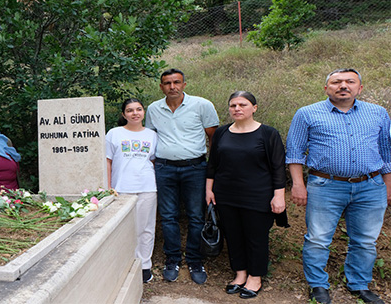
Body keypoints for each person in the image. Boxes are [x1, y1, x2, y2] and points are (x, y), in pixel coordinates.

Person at [286, 68, 391, 304]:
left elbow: (386, 153)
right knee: (318, 238)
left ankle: (359, 284)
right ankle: (318, 286)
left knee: (365, 240)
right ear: (326, 88)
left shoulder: (378, 113)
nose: (343, 85)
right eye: (336, 82)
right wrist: (298, 184)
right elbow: (294, 153)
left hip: (371, 185)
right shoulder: (307, 113)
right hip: (325, 185)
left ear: (360, 88)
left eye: (350, 82)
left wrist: (388, 186)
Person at [205, 91, 287, 299]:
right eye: (233, 105)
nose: (237, 109)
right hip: (226, 194)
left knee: (256, 237)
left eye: (242, 104)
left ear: (254, 108)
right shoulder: (222, 133)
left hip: (257, 195)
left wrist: (279, 196)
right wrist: (209, 189)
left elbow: (278, 168)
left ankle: (255, 277)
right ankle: (240, 273)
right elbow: (213, 164)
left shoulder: (268, 134)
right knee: (233, 235)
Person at [145, 68, 219, 284]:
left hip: (195, 168)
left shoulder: (202, 105)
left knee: (196, 216)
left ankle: (195, 260)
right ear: (161, 87)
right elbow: (151, 137)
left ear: (184, 84)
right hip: (164, 168)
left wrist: (212, 169)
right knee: (168, 216)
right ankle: (172, 259)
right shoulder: (153, 109)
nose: (172, 87)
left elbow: (213, 137)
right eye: (167, 83)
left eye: (176, 82)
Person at [105, 98, 158, 283]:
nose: (135, 113)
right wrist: (108, 186)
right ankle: (124, 263)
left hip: (147, 187)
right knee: (123, 229)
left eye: (138, 109)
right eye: (130, 110)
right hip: (121, 189)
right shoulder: (114, 133)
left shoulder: (152, 135)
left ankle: (144, 265)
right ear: (123, 114)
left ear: (144, 112)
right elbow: (107, 161)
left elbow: (152, 160)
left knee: (146, 228)